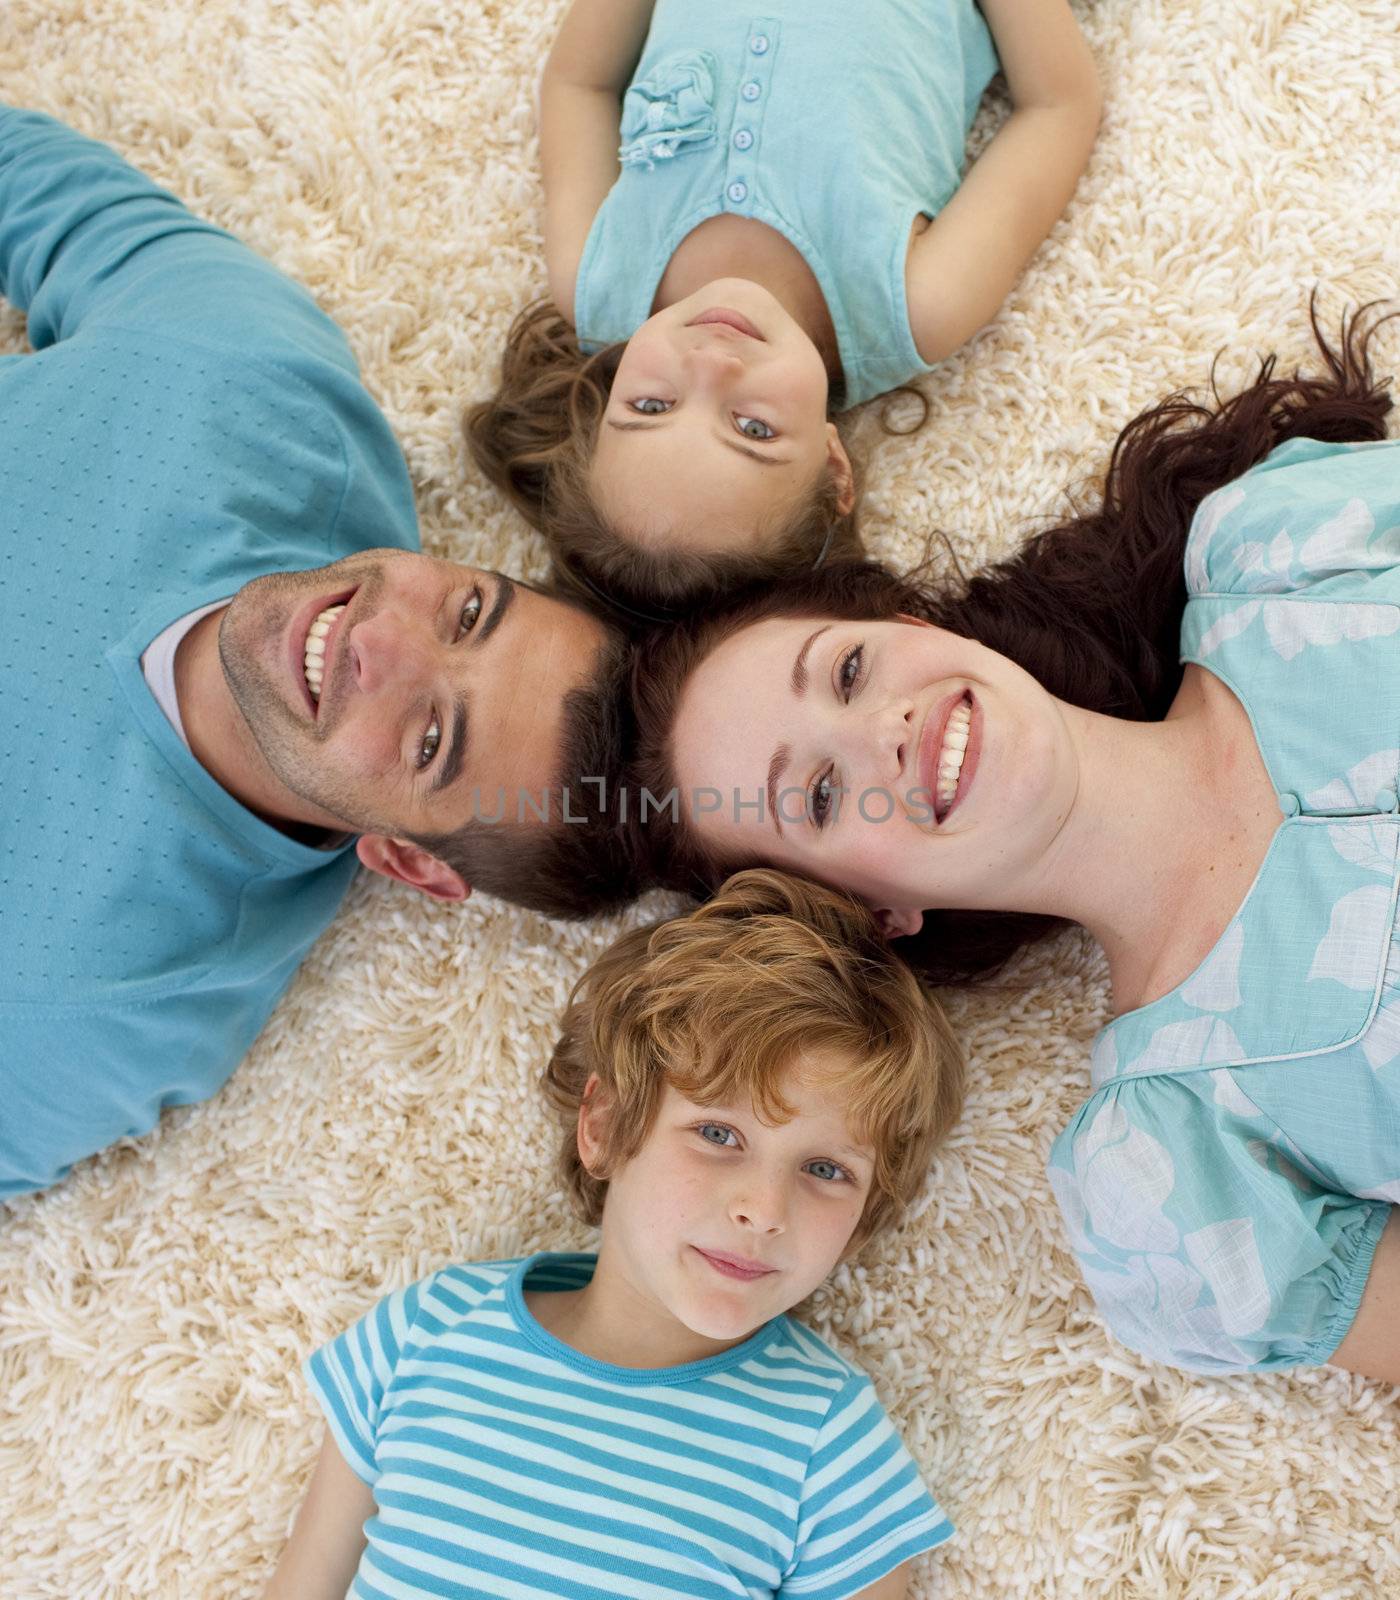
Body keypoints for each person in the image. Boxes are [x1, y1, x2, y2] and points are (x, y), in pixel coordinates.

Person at [621, 308, 1400, 1383]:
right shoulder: (1169, 1161)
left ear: (912, 625)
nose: (878, 729)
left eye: (846, 671)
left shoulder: (1279, 550)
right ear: (872, 912)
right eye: (817, 793)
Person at [0, 105, 633, 1199]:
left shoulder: (96, 998)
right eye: (469, 613)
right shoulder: (265, 395)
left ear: (406, 859)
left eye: (433, 737)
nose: (379, 637)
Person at [264, 868, 965, 1599]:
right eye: (718, 1133)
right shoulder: (425, 1333)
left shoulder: (829, 1446)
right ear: (601, 1127)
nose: (764, 1208)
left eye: (825, 1168)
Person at [465, 0, 1101, 614]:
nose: (712, 364)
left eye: (652, 405)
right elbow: (1057, 106)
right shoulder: (914, 302)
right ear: (832, 469)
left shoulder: (596, 277)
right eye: (752, 429)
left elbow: (581, 84)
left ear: (601, 408)